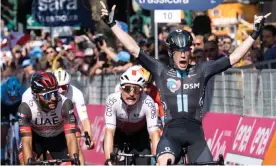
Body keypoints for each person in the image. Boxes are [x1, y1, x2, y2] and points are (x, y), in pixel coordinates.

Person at [99, 2, 269, 165]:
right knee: (163, 162)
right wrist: (112, 24)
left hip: (196, 136)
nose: (183, 55)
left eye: (186, 50)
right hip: (170, 136)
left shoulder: (201, 70)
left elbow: (234, 57)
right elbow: (134, 48)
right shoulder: (161, 71)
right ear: (171, 53)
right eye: (179, 52)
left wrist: (254, 34)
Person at [18, 72, 79, 165]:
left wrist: (74, 160)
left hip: (58, 138)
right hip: (36, 138)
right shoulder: (26, 107)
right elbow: (26, 141)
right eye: (47, 95)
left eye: (55, 93)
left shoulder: (65, 104)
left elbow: (71, 138)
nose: (53, 98)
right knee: (24, 161)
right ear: (36, 96)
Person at [104, 66, 160, 165]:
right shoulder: (112, 100)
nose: (131, 93)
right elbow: (109, 132)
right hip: (119, 133)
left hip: (139, 135)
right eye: (127, 89)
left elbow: (154, 134)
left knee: (144, 162)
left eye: (136, 90)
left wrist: (157, 159)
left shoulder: (148, 102)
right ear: (121, 89)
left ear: (142, 91)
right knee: (112, 161)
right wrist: (109, 160)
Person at [53, 69, 94, 165]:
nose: (60, 90)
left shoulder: (76, 93)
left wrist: (90, 137)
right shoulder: (50, 93)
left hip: (69, 121)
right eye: (57, 87)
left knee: (76, 148)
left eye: (63, 87)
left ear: (69, 85)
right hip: (52, 123)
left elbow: (84, 118)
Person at [0, 76, 26, 164]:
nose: (13, 97)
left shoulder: (23, 91)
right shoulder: (1, 91)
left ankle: (20, 149)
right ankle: (2, 156)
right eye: (10, 95)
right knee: (3, 131)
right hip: (3, 107)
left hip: (17, 107)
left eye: (15, 96)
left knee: (22, 128)